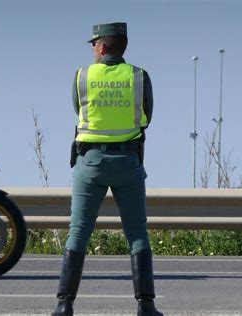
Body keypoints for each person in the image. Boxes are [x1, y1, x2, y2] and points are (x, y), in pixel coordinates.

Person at [52, 23, 163, 316]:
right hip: (128, 162)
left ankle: (64, 304)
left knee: (78, 232)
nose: (92, 50)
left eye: (93, 45)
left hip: (90, 164)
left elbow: (79, 109)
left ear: (101, 47)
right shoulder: (139, 76)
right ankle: (147, 306)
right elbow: (147, 115)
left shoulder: (83, 76)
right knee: (137, 233)